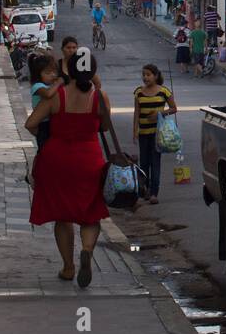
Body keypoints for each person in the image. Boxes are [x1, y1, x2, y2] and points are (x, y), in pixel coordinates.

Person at [23, 51, 116, 288]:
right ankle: (86, 250)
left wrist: (46, 137)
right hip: (89, 159)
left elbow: (31, 124)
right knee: (90, 213)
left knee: (62, 217)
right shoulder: (100, 97)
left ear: (69, 71)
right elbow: (104, 127)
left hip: (57, 159)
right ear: (92, 72)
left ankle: (68, 267)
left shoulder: (57, 96)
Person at [133, 64, 177, 205]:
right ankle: (145, 189)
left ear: (156, 76)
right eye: (144, 75)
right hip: (143, 133)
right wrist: (134, 131)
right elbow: (136, 113)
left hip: (158, 134)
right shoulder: (138, 92)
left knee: (155, 162)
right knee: (144, 163)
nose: (145, 77)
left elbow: (174, 108)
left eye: (148, 75)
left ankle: (154, 193)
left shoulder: (164, 91)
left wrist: (160, 113)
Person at [28, 54, 61, 152]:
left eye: (54, 71)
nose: (53, 75)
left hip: (51, 120)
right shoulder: (37, 86)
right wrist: (58, 83)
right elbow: (48, 94)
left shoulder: (51, 85)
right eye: (48, 72)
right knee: (44, 150)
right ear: (38, 74)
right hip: (43, 122)